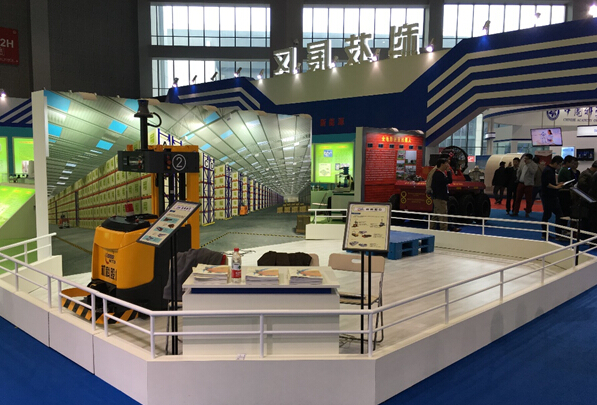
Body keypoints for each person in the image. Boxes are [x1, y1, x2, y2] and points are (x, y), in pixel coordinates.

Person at [430, 158, 461, 232]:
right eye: (446, 163)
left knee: (436, 215)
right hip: (440, 198)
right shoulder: (438, 174)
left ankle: (431, 230)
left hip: (438, 197)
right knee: (443, 216)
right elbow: (449, 180)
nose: (448, 165)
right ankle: (443, 231)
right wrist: (449, 171)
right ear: (442, 164)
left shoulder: (438, 173)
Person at [540, 155, 567, 240]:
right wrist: (556, 187)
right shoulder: (548, 170)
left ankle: (549, 234)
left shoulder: (550, 170)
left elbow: (550, 182)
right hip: (548, 196)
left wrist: (557, 185)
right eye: (559, 164)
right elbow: (546, 183)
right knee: (550, 215)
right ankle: (553, 234)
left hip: (550, 195)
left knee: (551, 215)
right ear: (555, 163)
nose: (560, 166)